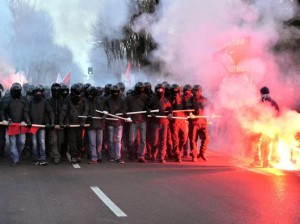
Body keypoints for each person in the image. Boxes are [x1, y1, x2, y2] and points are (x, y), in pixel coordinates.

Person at [24, 85, 55, 166]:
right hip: (33, 126)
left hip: (42, 126)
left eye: (40, 92)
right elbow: (26, 112)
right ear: (34, 93)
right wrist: (28, 121)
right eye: (37, 92)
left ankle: (43, 158)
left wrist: (51, 122)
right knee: (34, 143)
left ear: (42, 93)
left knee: (42, 142)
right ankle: (35, 158)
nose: (38, 93)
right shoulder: (29, 102)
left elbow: (50, 112)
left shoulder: (45, 102)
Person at [249, 86, 280, 168]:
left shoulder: (258, 102)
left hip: (258, 126)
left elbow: (253, 113)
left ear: (261, 93)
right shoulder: (273, 102)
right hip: (270, 126)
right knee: (266, 144)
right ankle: (266, 162)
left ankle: (256, 160)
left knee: (256, 143)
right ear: (268, 92)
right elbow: (277, 114)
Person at [59, 83, 88, 164]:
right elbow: (63, 111)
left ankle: (78, 155)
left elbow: (86, 110)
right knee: (72, 142)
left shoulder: (83, 99)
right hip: (70, 124)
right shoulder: (67, 99)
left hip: (80, 124)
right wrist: (61, 122)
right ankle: (73, 157)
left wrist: (83, 121)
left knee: (80, 141)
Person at [1, 83, 27, 166]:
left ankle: (17, 156)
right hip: (11, 125)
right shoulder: (8, 100)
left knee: (22, 142)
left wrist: (24, 120)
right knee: (13, 144)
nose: (16, 93)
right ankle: (15, 159)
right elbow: (3, 111)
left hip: (21, 125)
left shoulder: (23, 100)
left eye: (18, 91)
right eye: (15, 91)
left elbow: (26, 112)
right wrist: (5, 119)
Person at [103, 85, 129, 164]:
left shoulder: (121, 100)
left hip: (119, 122)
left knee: (118, 140)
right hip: (110, 121)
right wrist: (106, 112)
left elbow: (125, 108)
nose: (115, 94)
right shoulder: (107, 100)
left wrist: (122, 112)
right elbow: (105, 107)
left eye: (116, 92)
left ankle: (118, 157)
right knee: (110, 140)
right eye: (114, 92)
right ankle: (111, 156)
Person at [147, 83, 172, 163]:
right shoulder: (152, 99)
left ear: (163, 91)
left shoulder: (166, 100)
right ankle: (153, 155)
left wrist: (170, 113)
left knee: (163, 141)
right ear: (155, 90)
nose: (160, 91)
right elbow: (147, 108)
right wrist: (151, 113)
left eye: (161, 90)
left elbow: (170, 108)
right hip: (155, 123)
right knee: (154, 140)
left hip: (164, 122)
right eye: (158, 90)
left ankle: (162, 156)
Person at [126, 82, 149, 163]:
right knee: (131, 139)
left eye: (141, 90)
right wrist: (128, 116)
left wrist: (148, 110)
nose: (139, 91)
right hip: (133, 120)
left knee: (143, 139)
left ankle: (141, 156)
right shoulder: (129, 97)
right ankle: (132, 154)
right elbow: (126, 108)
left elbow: (148, 106)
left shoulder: (145, 97)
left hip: (142, 120)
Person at [186, 84, 210, 162]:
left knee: (206, 138)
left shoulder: (205, 99)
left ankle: (202, 153)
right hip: (194, 122)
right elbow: (187, 108)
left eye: (197, 90)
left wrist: (213, 112)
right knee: (193, 139)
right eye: (194, 90)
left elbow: (211, 106)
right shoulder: (190, 99)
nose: (195, 92)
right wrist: (190, 113)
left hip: (203, 121)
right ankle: (194, 155)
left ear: (200, 91)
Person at [86, 86, 106, 164]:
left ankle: (99, 156)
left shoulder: (100, 102)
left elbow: (104, 111)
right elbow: (85, 111)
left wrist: (104, 116)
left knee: (99, 142)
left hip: (99, 125)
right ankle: (94, 157)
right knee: (92, 142)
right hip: (91, 125)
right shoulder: (86, 102)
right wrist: (88, 115)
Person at [169, 84, 188, 163]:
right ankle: (177, 155)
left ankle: (178, 150)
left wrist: (189, 113)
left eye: (177, 92)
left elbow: (187, 106)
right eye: (174, 92)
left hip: (182, 120)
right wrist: (170, 113)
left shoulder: (183, 98)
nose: (175, 93)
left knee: (184, 138)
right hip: (174, 121)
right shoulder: (170, 98)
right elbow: (169, 107)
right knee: (175, 139)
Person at [47, 83, 64, 164]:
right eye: (55, 91)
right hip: (52, 125)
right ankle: (56, 156)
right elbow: (46, 113)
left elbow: (65, 112)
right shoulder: (49, 101)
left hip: (61, 125)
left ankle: (57, 154)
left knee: (60, 141)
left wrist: (64, 122)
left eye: (58, 91)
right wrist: (49, 123)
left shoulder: (63, 101)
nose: (56, 93)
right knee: (53, 141)